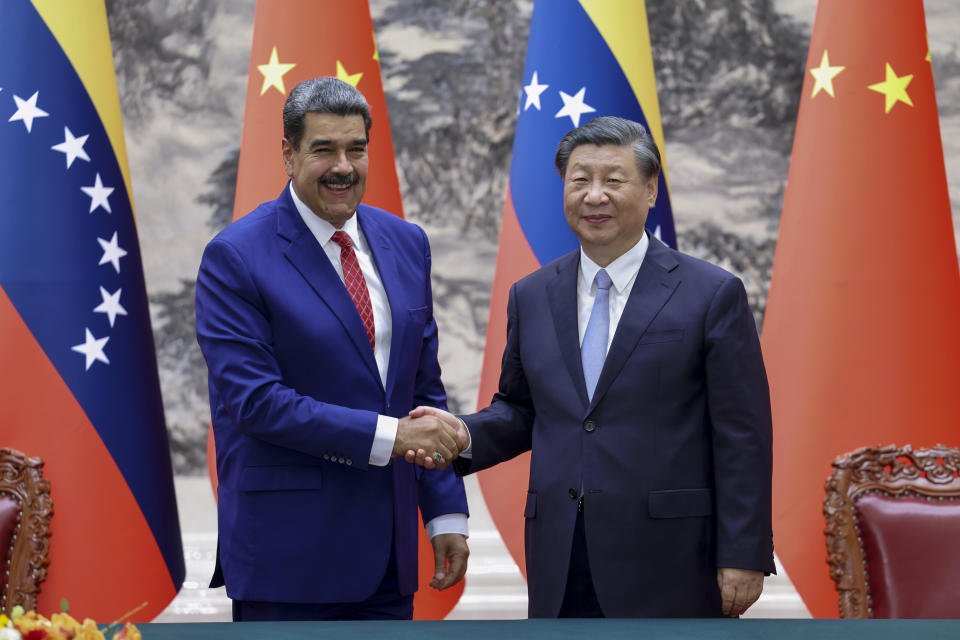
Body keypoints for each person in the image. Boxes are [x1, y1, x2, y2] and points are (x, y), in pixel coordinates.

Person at [410, 116, 773, 618]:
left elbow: (743, 435)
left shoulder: (711, 294)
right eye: (580, 180)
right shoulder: (532, 295)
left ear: (650, 190)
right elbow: (521, 410)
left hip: (672, 556)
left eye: (613, 180)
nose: (594, 195)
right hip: (561, 552)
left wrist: (744, 553)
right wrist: (462, 434)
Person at [195, 76, 468, 622]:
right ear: (289, 154)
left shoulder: (407, 243)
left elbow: (422, 391)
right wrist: (395, 437)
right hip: (288, 561)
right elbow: (257, 403)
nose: (343, 166)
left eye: (356, 149)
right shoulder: (235, 257)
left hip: (390, 563)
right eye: (323, 149)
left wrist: (444, 514)